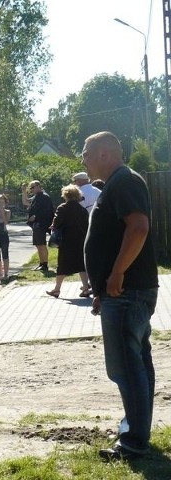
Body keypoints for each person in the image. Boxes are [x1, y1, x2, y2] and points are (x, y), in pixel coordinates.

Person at [82, 131, 159, 461]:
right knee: (137, 363)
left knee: (127, 368)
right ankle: (136, 431)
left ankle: (133, 442)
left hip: (128, 292)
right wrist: (102, 289)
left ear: (104, 153)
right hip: (122, 293)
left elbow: (138, 228)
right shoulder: (115, 184)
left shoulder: (124, 180)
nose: (82, 158)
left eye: (86, 152)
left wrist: (117, 274)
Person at [45, 184, 90, 298]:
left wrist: (52, 226)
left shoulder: (62, 208)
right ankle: (85, 288)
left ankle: (57, 289)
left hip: (66, 241)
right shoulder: (82, 210)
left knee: (63, 265)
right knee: (81, 265)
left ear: (66, 195)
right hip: (80, 241)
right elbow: (87, 226)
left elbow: (56, 223)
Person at [21, 180, 54, 271]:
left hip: (41, 224)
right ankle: (41, 263)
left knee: (42, 244)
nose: (32, 189)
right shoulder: (36, 197)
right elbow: (25, 202)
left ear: (39, 186)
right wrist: (24, 191)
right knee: (38, 245)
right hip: (36, 225)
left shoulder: (44, 197)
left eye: (33, 187)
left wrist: (35, 216)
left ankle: (45, 264)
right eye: (30, 188)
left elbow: (47, 211)